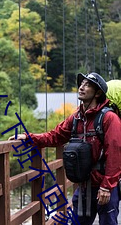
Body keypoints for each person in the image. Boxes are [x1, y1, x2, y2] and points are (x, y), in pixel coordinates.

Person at [9, 72, 121, 225]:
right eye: (81, 84)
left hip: (104, 185)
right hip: (84, 185)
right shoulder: (76, 118)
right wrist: (28, 138)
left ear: (98, 93)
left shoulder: (109, 118)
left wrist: (107, 187)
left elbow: (115, 153)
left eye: (87, 85)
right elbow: (55, 136)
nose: (81, 87)